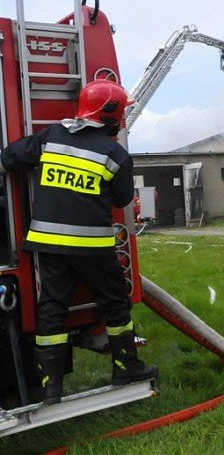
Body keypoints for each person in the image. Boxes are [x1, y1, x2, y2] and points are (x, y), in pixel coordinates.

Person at [0, 79, 158, 405]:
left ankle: (52, 386)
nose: (122, 119)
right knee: (115, 303)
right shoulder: (115, 154)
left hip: (48, 244)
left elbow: (10, 158)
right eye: (121, 113)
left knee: (52, 308)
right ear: (109, 113)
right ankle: (125, 367)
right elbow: (123, 198)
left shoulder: (51, 136)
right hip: (92, 246)